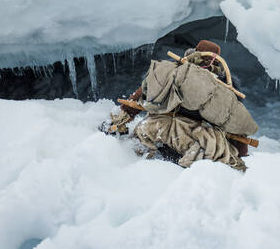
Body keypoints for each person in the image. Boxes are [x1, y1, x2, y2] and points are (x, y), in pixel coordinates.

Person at [106, 40, 258, 171]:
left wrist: (120, 119)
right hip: (195, 140)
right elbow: (235, 122)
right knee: (211, 150)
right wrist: (241, 154)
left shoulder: (173, 71)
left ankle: (133, 163)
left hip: (158, 127)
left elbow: (142, 95)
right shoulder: (225, 89)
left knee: (142, 137)